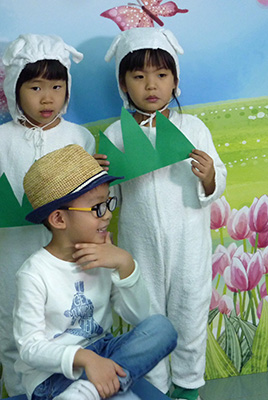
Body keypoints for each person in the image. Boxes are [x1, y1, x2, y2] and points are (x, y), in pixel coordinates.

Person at [102, 27, 227, 400]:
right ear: (123, 84)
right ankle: (154, 388)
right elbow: (109, 200)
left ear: (175, 81)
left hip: (188, 244)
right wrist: (101, 180)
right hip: (140, 247)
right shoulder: (117, 133)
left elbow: (217, 179)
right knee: (147, 318)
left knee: (190, 312)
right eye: (138, 77)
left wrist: (209, 177)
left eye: (161, 74)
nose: (151, 85)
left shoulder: (193, 128)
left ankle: (188, 386)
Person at [13, 144, 178, 400]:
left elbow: (141, 317)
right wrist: (84, 358)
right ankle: (99, 389)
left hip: (104, 352)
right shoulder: (34, 274)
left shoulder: (105, 254)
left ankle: (90, 390)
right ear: (59, 219)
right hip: (52, 376)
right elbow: (29, 347)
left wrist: (125, 264)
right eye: (97, 207)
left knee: (162, 328)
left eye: (108, 203)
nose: (108, 215)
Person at [0, 34, 96, 396]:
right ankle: (20, 392)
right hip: (13, 255)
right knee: (14, 327)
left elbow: (97, 201)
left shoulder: (79, 137)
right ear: (15, 87)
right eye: (35, 87)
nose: (47, 98)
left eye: (57, 86)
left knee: (71, 324)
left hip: (67, 257)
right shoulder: (2, 139)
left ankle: (72, 391)